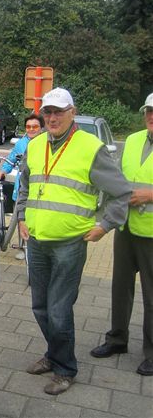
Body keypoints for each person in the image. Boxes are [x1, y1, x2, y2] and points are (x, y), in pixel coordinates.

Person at [16, 87, 132, 395]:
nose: (51, 117)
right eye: (47, 112)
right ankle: (54, 354)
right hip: (38, 240)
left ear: (72, 112)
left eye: (58, 112)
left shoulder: (90, 147)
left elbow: (121, 192)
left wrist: (105, 225)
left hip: (70, 243)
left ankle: (66, 368)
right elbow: (25, 183)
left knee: (58, 309)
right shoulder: (36, 144)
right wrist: (22, 216)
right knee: (40, 306)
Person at [90, 92, 153, 376]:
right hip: (126, 227)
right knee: (120, 288)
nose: (151, 116)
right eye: (148, 111)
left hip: (151, 233)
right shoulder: (135, 140)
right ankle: (117, 339)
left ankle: (152, 352)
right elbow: (118, 180)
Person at [0, 113, 45, 260]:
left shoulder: (47, 143)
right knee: (20, 215)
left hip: (40, 188)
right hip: (22, 186)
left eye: (35, 126)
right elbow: (11, 160)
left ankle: (37, 246)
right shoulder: (21, 144)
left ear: (41, 128)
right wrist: (3, 171)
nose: (31, 129)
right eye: (28, 126)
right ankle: (22, 247)